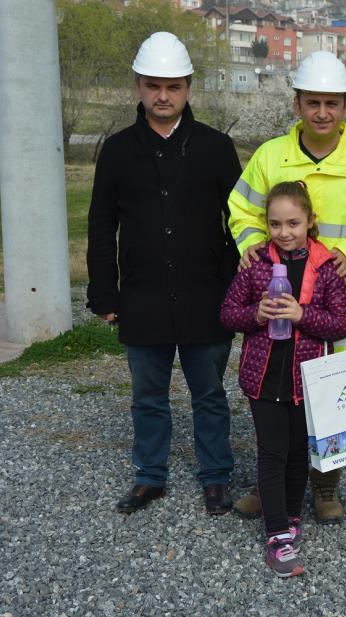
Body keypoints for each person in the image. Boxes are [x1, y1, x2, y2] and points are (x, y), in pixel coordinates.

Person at [227, 50, 346, 523]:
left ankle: (326, 488)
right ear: (297, 104)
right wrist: (249, 243)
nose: (321, 112)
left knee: (332, 399)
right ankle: (271, 489)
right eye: (312, 102)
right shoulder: (270, 157)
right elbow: (241, 208)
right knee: (274, 395)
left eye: (331, 103)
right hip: (279, 306)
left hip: (338, 307)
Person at [86, 32, 242, 515]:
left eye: (173, 87)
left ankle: (215, 476)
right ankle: (150, 476)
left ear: (188, 88)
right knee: (148, 397)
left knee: (211, 395)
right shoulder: (115, 150)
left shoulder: (217, 147)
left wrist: (236, 287)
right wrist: (104, 292)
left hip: (206, 295)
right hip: (143, 295)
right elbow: (100, 224)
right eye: (153, 86)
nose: (163, 96)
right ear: (139, 87)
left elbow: (239, 222)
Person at [220, 181, 346, 577]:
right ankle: (278, 536)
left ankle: (291, 516)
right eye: (275, 224)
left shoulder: (326, 268)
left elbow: (341, 323)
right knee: (273, 452)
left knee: (298, 452)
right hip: (263, 379)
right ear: (266, 225)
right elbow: (227, 314)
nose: (284, 232)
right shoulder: (255, 264)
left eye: (293, 222)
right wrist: (256, 315)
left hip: (306, 381)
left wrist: (302, 315)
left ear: (310, 221)